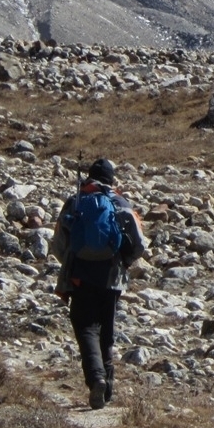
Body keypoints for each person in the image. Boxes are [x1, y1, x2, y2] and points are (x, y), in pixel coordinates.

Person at [50, 158, 148, 409]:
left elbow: (59, 245)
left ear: (89, 177)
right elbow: (139, 245)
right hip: (112, 277)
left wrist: (73, 261)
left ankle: (96, 380)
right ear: (111, 179)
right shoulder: (120, 203)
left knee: (85, 328)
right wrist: (123, 262)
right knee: (106, 331)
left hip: (80, 276)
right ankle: (108, 386)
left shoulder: (76, 201)